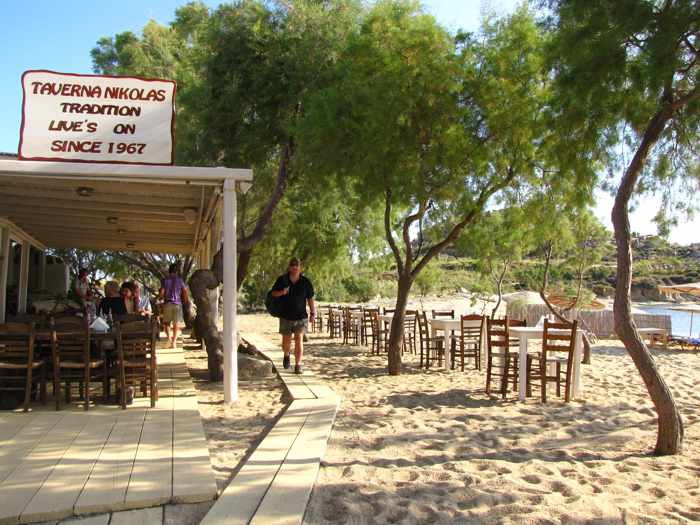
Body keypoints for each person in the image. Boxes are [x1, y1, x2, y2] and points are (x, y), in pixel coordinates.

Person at [270, 257, 315, 374]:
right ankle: (286, 354)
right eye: (292, 265)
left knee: (299, 339)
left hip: (301, 316)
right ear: (289, 267)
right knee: (286, 342)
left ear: (300, 267)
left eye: (297, 265)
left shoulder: (306, 282)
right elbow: (273, 293)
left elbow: (310, 298)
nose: (295, 267)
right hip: (285, 316)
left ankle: (298, 365)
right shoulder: (282, 280)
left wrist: (313, 313)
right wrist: (282, 292)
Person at [159, 263, 188, 349]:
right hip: (177, 304)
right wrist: (185, 301)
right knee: (176, 323)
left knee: (166, 323)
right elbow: (185, 291)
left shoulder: (165, 280)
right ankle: (174, 342)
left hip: (168, 303)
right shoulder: (180, 280)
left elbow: (162, 292)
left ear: (169, 271)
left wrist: (160, 297)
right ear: (177, 271)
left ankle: (168, 339)